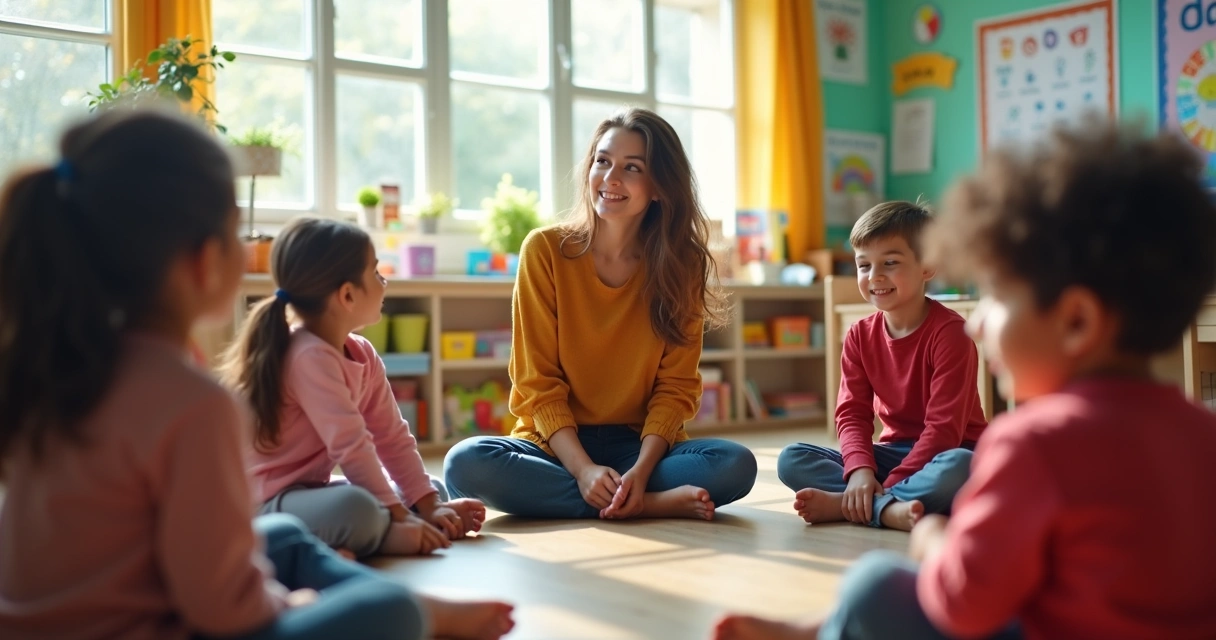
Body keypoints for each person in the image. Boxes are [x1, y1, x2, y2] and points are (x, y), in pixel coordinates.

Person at [0, 108, 513, 640]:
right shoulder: (191, 403)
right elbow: (223, 609)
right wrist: (290, 602)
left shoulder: (51, 369)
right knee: (391, 614)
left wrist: (415, 505)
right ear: (203, 260)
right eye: (235, 233)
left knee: (286, 537)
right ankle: (416, 610)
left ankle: (402, 598)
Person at [714, 120, 1216, 640]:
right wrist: (866, 470)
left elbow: (964, 606)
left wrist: (932, 538)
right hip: (911, 475)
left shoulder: (1031, 443)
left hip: (974, 525)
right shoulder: (1204, 432)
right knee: (803, 458)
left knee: (874, 582)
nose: (977, 321)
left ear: (1076, 321)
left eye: (996, 296)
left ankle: (826, 615)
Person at [444, 107, 756, 520]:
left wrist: (642, 473)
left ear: (660, 186)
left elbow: (676, 388)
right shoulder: (545, 251)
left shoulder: (681, 266)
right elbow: (536, 382)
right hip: (554, 447)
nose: (610, 178)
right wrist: (584, 470)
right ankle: (645, 506)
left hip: (638, 446)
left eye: (632, 168)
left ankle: (625, 496)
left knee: (735, 464)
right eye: (602, 161)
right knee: (466, 462)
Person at [222, 217, 486, 558]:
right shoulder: (307, 356)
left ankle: (372, 533)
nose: (384, 281)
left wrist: (428, 504)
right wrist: (402, 517)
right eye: (376, 273)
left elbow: (391, 436)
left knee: (428, 487)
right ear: (347, 295)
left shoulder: (361, 353)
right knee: (355, 508)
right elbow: (352, 447)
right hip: (264, 506)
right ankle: (384, 536)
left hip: (309, 493)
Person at [778, 200, 986, 531]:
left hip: (949, 452)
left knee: (960, 468)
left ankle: (863, 506)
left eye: (890, 262)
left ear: (927, 266)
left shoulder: (951, 334)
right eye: (863, 265)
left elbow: (944, 431)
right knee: (793, 458)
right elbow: (851, 415)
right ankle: (891, 507)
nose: (875, 276)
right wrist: (861, 471)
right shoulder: (859, 335)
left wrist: (882, 488)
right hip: (892, 454)